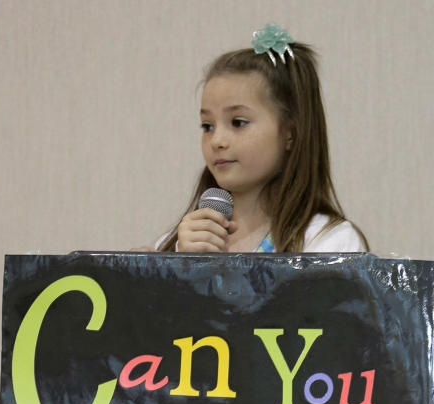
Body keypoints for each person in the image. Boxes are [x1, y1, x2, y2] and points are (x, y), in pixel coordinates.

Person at [151, 23, 366, 255]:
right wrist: (174, 267)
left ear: (289, 133)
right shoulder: (178, 244)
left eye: (238, 122)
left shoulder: (329, 242)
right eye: (208, 126)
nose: (217, 141)